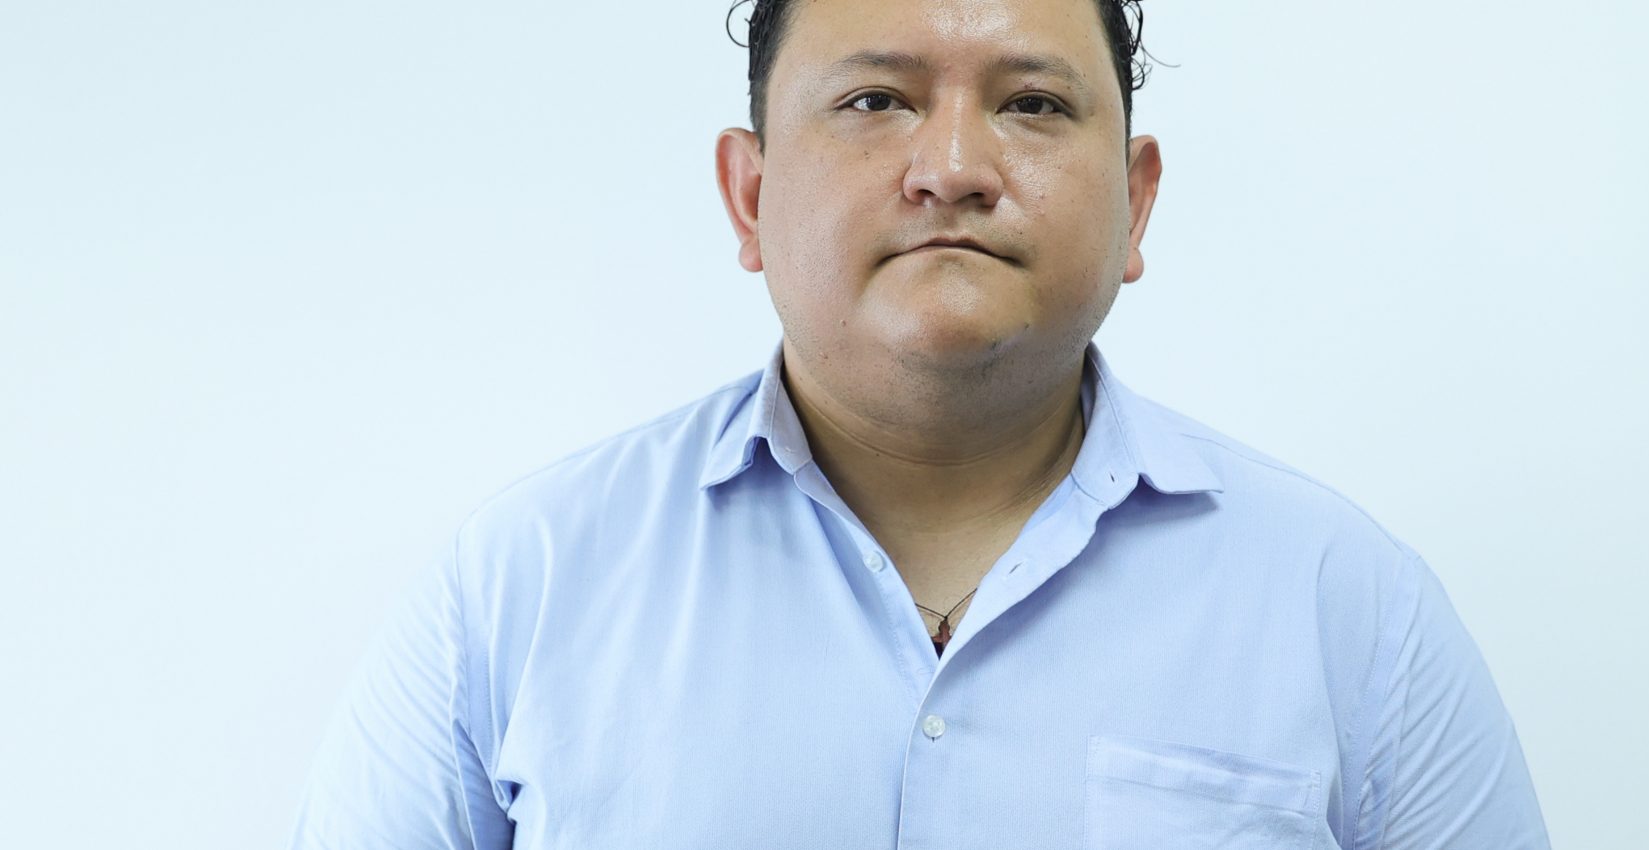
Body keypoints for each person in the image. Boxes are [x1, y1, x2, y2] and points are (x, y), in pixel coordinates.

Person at [286, 1, 1553, 847]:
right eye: (876, 100)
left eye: (1034, 104)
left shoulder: (1348, 605)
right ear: (749, 193)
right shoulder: (521, 584)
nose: (953, 166)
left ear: (1137, 203)